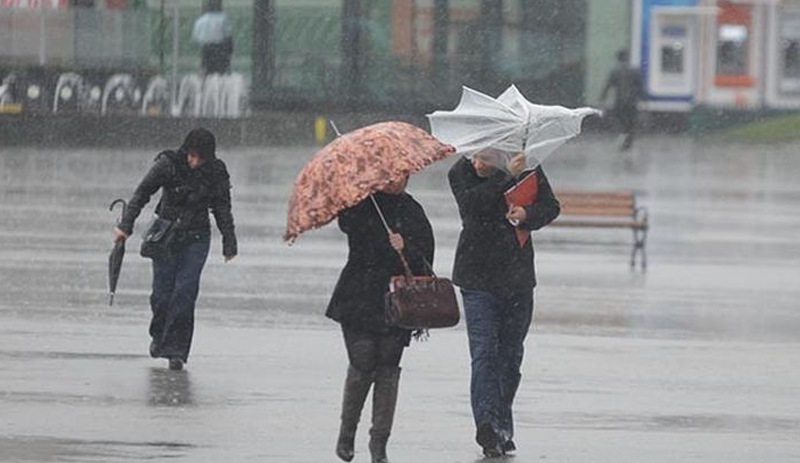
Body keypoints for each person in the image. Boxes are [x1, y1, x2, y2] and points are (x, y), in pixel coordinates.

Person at [448, 150, 560, 457]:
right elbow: (472, 206)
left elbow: (550, 206)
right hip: (477, 278)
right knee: (484, 353)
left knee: (510, 358)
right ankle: (486, 425)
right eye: (475, 157)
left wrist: (528, 215)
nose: (478, 164)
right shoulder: (460, 172)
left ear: (499, 152)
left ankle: (501, 427)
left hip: (518, 278)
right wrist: (507, 177)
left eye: (485, 158)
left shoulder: (528, 166)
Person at [327, 177, 434, 463]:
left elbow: (426, 259)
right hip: (358, 295)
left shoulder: (412, 210)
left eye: (406, 175)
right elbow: (346, 224)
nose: (400, 180)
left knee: (388, 367)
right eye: (395, 174)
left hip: (397, 300)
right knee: (363, 362)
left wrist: (405, 246)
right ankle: (347, 433)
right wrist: (353, 194)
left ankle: (379, 443)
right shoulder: (361, 203)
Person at [112, 128, 237, 371]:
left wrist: (229, 241)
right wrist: (126, 226)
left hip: (197, 238)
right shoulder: (168, 164)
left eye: (199, 157)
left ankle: (177, 351)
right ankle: (159, 337)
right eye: (191, 155)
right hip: (165, 237)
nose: (194, 162)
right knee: (162, 295)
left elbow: (222, 208)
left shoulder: (216, 172)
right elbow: (142, 193)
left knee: (185, 292)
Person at [600, 49, 643, 151]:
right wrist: (641, 98)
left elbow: (608, 85)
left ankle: (624, 134)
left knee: (620, 119)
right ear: (628, 58)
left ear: (618, 59)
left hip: (620, 101)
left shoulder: (615, 71)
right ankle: (628, 140)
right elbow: (640, 87)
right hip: (632, 102)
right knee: (631, 122)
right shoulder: (635, 71)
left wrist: (602, 97)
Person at [192, 0, 234, 75]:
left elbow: (196, 38)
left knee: (207, 71)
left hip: (206, 49)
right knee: (220, 73)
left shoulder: (200, 20)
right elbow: (228, 35)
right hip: (220, 49)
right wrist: (230, 52)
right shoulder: (223, 18)